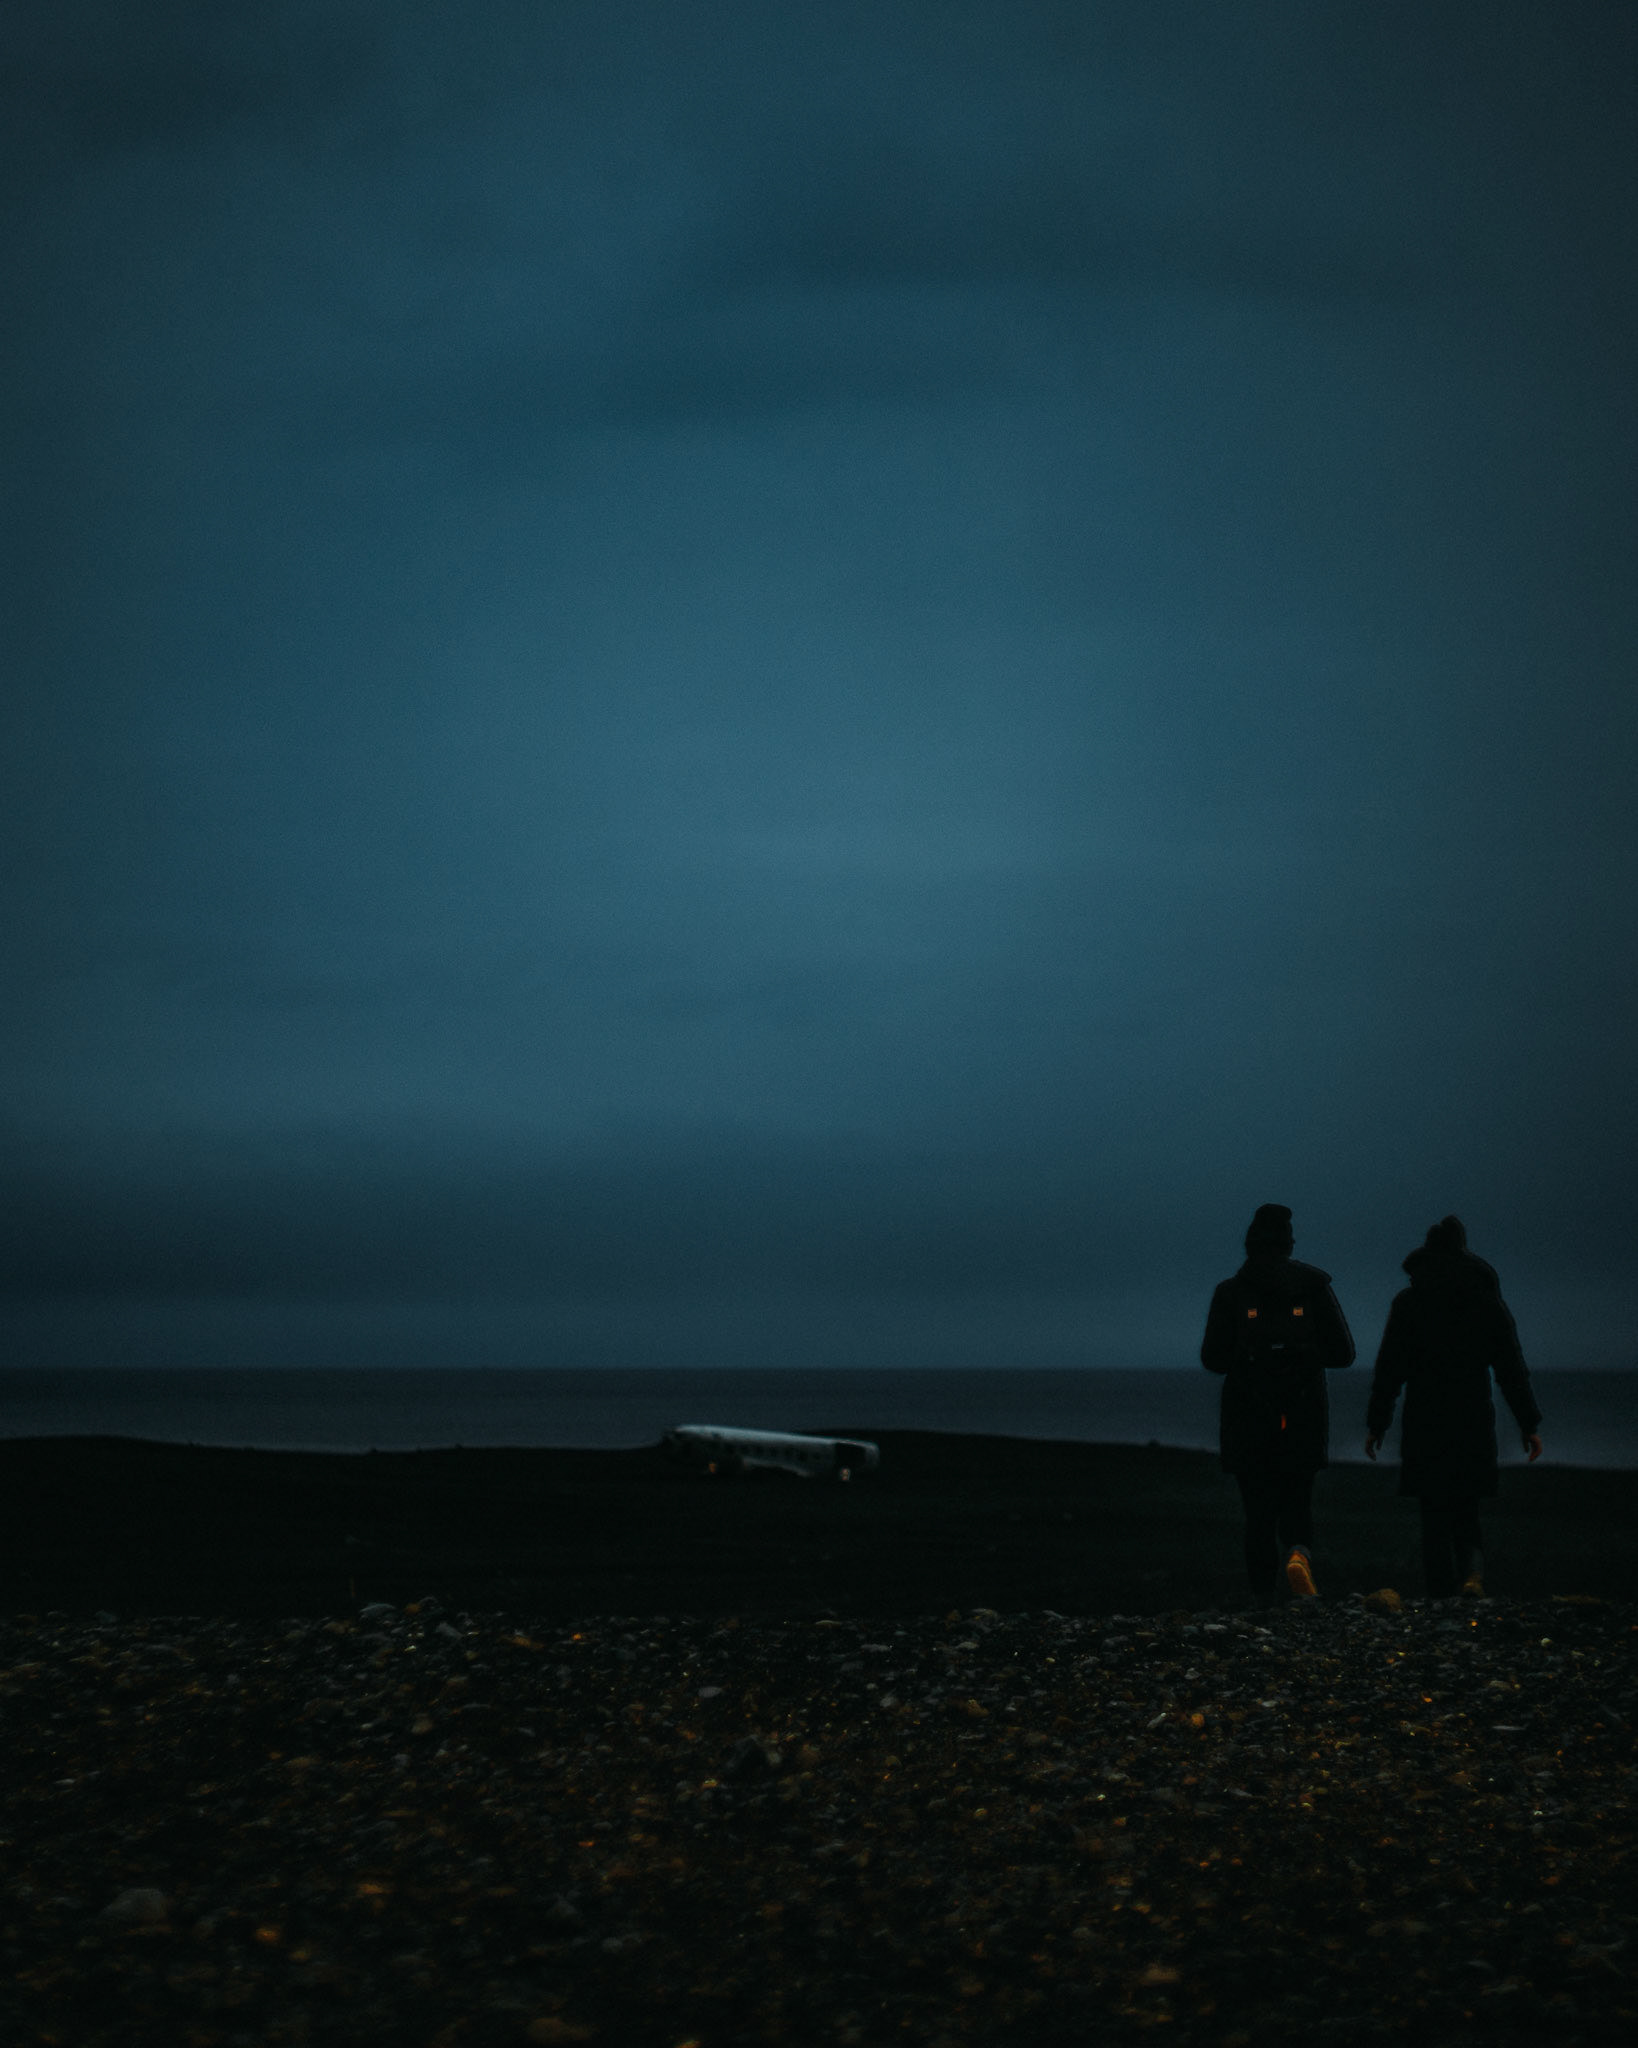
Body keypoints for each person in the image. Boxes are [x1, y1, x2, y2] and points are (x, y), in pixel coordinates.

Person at [1365, 1215, 1543, 1598]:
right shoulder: (1486, 1301)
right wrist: (1528, 1422)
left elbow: (1389, 1368)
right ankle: (1473, 1577)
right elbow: (1510, 1367)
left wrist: (1377, 1423)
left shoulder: (1410, 1302)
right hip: (1472, 1416)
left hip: (1425, 1418)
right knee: (1467, 1506)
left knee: (1433, 1513)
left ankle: (1440, 1599)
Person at [1201, 1204, 1355, 1602]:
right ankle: (1299, 1554)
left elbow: (1211, 1360)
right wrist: (1303, 1354)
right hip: (1302, 1413)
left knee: (1258, 1512)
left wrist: (1245, 1354)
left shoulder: (1230, 1293)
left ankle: (1263, 1597)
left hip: (1247, 1415)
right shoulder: (1314, 1288)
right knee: (1297, 1497)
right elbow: (1343, 1353)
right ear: (1289, 1244)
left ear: (1250, 1243)